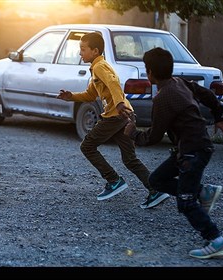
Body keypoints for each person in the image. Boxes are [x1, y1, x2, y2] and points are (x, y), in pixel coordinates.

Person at [124, 47, 223, 259]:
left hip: (192, 152)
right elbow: (207, 94)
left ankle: (216, 240)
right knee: (156, 179)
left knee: (185, 202)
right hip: (190, 149)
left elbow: (153, 136)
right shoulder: (179, 82)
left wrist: (132, 133)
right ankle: (203, 192)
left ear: (149, 73)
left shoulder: (163, 97)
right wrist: (218, 115)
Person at [57, 32, 169, 208]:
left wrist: (118, 104)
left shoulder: (101, 67)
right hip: (125, 115)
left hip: (116, 115)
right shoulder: (97, 67)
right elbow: (90, 95)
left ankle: (113, 180)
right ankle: (155, 190)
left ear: (95, 51)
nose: (80, 53)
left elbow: (114, 83)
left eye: (83, 49)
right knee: (130, 159)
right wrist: (71, 96)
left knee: (87, 146)